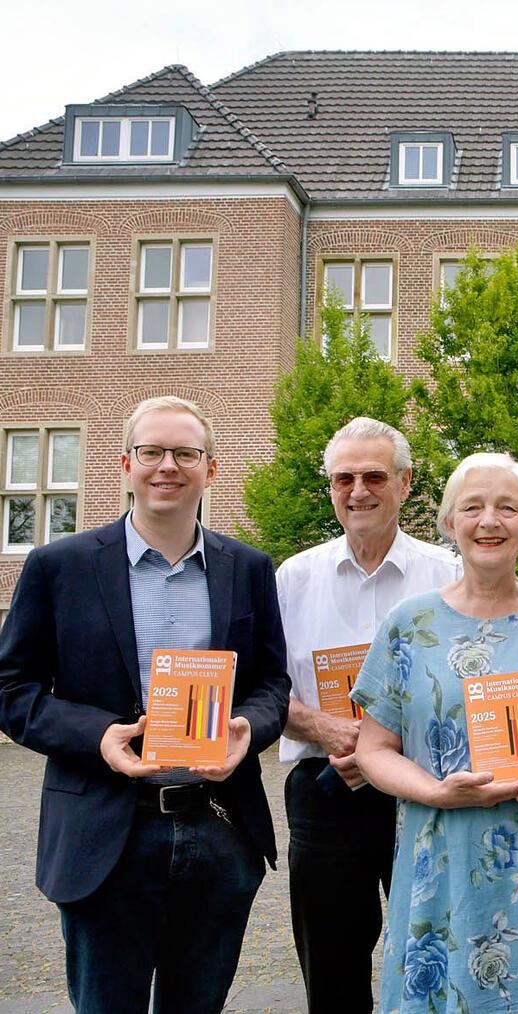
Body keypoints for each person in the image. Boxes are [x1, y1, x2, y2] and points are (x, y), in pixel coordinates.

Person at [0, 396, 290, 1014]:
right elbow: (12, 689)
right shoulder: (60, 567)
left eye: (186, 453)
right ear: (125, 464)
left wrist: (249, 729)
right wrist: (99, 734)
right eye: (153, 452)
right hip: (104, 831)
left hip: (217, 824)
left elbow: (272, 683)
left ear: (211, 469)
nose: (168, 466)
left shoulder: (248, 567)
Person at [351, 452, 518, 1014]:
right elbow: (372, 749)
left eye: (508, 507)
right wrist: (433, 791)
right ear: (450, 523)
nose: (490, 521)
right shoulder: (410, 623)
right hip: (444, 856)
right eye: (472, 507)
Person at [276, 417, 462, 1013]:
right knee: (331, 966)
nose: (358, 490)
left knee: (439, 950)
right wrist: (324, 728)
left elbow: (471, 684)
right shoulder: (293, 578)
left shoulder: (449, 573)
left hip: (423, 792)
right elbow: (261, 688)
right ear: (330, 486)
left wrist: (386, 746)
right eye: (344, 477)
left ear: (405, 484)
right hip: (326, 791)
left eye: (374, 475)